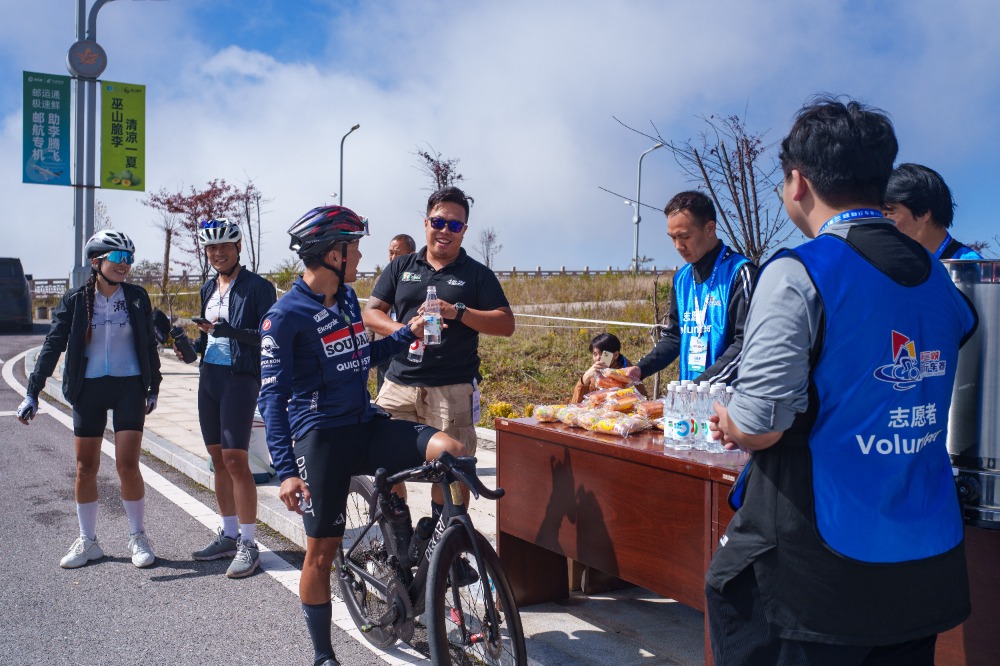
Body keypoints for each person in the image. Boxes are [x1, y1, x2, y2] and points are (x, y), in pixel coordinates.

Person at [706, 97, 978, 664]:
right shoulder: (940, 279)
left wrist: (729, 418)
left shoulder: (800, 271)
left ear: (797, 183)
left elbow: (760, 425)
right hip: (923, 557)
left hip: (818, 570)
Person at [258, 205, 467, 666]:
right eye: (354, 246)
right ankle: (322, 655)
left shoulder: (349, 299)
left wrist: (404, 335)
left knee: (450, 452)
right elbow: (271, 400)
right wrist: (286, 473)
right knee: (320, 554)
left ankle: (408, 548)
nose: (359, 254)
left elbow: (358, 355)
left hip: (365, 423)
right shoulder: (283, 316)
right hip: (322, 440)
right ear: (333, 253)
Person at [17, 230, 162, 569]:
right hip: (88, 389)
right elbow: (52, 345)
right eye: (119, 258)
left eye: (129, 258)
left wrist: (153, 386)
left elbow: (148, 346)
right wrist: (32, 392)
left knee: (128, 465)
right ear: (97, 262)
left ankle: (138, 536)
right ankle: (88, 541)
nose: (125, 265)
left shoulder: (137, 297)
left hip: (128, 387)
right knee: (86, 467)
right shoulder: (75, 300)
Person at [363, 186, 515, 461]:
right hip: (398, 383)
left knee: (452, 471)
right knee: (383, 462)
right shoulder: (401, 266)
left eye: (455, 225)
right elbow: (371, 313)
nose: (445, 231)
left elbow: (506, 324)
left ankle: (445, 508)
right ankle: (395, 506)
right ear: (426, 223)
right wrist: (407, 332)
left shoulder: (478, 274)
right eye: (438, 222)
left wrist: (457, 311)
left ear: (464, 230)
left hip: (452, 389)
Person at [187, 219, 277, 579]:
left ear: (238, 247)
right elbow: (207, 339)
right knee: (216, 458)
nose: (217, 253)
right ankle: (227, 533)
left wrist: (231, 332)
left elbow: (267, 335)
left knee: (236, 459)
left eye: (224, 247)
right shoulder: (208, 287)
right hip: (210, 377)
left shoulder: (258, 287)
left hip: (241, 377)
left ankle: (250, 544)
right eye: (211, 248)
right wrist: (189, 345)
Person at [624, 191, 755, 387]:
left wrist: (701, 384)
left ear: (710, 228)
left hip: (730, 404)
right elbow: (674, 336)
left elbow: (746, 343)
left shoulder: (740, 272)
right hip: (691, 401)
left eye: (684, 236)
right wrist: (641, 368)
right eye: (672, 237)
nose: (678, 246)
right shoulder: (681, 278)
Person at [884, 163, 983, 260]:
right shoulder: (895, 264)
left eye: (888, 213)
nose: (881, 221)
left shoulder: (969, 267)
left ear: (923, 211)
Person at [373, 233, 417, 394]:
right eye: (390, 252)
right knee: (382, 391)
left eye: (397, 253)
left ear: (411, 254)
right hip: (384, 342)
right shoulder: (382, 279)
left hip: (408, 343)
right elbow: (372, 312)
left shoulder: (419, 280)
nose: (393, 257)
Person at [570, 332, 646, 403]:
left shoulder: (629, 373)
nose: (597, 358)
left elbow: (643, 401)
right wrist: (585, 378)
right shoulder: (595, 373)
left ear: (615, 355)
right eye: (595, 354)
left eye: (603, 354)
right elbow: (576, 404)